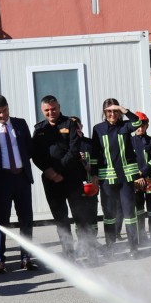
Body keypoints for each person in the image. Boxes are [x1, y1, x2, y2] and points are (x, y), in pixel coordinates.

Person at [30, 94, 96, 262]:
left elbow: (74, 150)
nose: (51, 112)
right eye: (47, 110)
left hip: (72, 177)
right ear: (42, 110)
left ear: (59, 107)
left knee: (80, 216)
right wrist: (48, 171)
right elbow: (35, 155)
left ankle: (87, 250)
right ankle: (69, 254)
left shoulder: (70, 124)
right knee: (61, 219)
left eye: (54, 109)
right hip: (51, 181)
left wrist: (57, 170)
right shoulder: (39, 130)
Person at [0, 94, 36, 273]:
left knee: (26, 219)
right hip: (1, 181)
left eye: (4, 111)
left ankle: (26, 258)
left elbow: (28, 149)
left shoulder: (20, 124)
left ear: (8, 108)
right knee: (1, 221)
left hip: (22, 178)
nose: (2, 115)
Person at [90, 99, 142, 257]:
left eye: (115, 111)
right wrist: (93, 174)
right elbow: (94, 153)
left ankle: (134, 248)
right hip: (107, 179)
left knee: (129, 214)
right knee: (109, 215)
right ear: (104, 112)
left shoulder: (125, 126)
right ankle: (110, 247)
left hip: (125, 178)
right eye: (109, 111)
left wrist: (123, 109)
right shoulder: (98, 129)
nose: (112, 114)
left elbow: (138, 122)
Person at [132, 112, 151, 240]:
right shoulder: (129, 141)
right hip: (136, 180)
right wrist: (136, 176)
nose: (140, 128)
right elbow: (128, 160)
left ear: (147, 126)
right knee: (138, 206)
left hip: (149, 179)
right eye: (137, 126)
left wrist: (142, 172)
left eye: (143, 125)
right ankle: (141, 234)